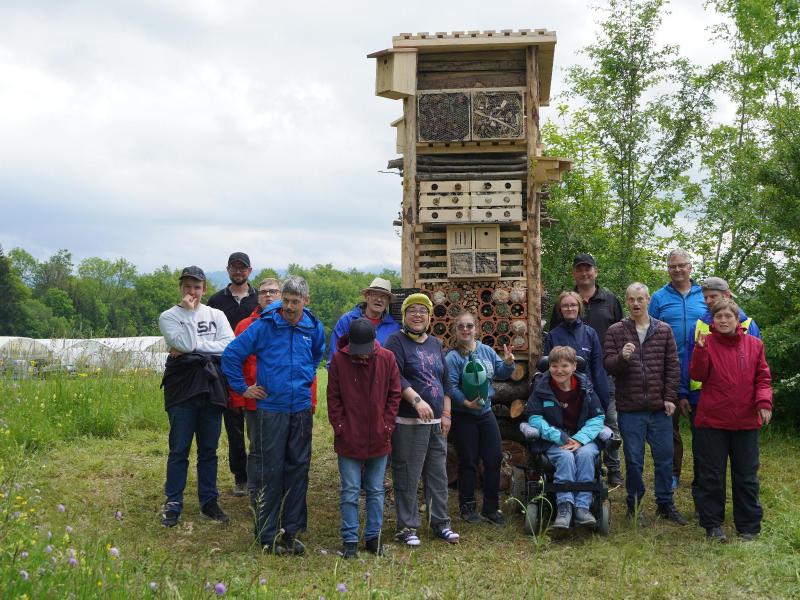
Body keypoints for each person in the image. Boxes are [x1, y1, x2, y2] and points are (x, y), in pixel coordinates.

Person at [221, 275, 325, 555]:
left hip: (301, 409)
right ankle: (266, 536)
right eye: (286, 301)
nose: (290, 307)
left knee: (298, 470)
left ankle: (290, 532)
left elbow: (317, 355)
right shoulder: (264, 326)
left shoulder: (313, 326)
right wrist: (244, 389)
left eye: (295, 302)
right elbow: (231, 355)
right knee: (270, 471)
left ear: (306, 301)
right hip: (272, 411)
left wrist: (303, 377)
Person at [604, 282, 687, 525]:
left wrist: (670, 398)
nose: (636, 303)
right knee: (634, 459)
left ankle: (665, 503)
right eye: (631, 299)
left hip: (659, 408)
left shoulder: (663, 330)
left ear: (648, 299)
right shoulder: (616, 331)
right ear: (627, 301)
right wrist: (622, 358)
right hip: (630, 408)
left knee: (664, 458)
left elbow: (673, 367)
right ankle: (635, 506)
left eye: (640, 299)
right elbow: (608, 365)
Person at [689, 298, 772, 542]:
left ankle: (748, 527)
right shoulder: (705, 343)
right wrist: (701, 352)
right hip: (712, 421)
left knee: (746, 476)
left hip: (746, 422)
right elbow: (697, 375)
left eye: (728, 316)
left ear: (737, 320)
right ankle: (712, 525)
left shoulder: (755, 345)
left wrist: (764, 403)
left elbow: (763, 379)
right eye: (719, 317)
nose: (723, 320)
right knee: (712, 476)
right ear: (712, 321)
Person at [158, 266, 234, 527]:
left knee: (209, 449)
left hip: (211, 385)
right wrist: (188, 316)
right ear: (181, 288)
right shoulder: (169, 316)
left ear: (204, 288)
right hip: (182, 387)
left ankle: (209, 501)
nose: (192, 292)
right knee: (179, 448)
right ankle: (173, 501)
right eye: (187, 286)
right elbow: (184, 345)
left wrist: (195, 349)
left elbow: (228, 345)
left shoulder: (217, 314)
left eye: (197, 287)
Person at [679, 277, 762, 509]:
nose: (708, 301)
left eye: (713, 297)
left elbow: (757, 368)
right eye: (705, 297)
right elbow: (688, 360)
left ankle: (744, 512)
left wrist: (760, 401)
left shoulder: (748, 325)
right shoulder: (699, 324)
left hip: (741, 407)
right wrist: (683, 391)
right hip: (703, 401)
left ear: (727, 295)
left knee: (744, 466)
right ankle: (703, 507)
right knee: (705, 460)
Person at [384, 293, 460, 546]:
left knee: (437, 474)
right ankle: (407, 527)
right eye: (412, 310)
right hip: (408, 422)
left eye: (423, 311)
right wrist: (417, 401)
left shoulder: (436, 344)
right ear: (404, 316)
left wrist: (446, 413)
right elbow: (395, 377)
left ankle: (441, 523)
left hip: (436, 422)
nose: (418, 315)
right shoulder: (396, 341)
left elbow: (445, 381)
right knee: (408, 473)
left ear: (429, 317)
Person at [327, 318, 402, 558]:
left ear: (374, 343)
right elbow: (333, 398)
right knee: (349, 490)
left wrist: (387, 426)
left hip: (380, 437)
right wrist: (340, 427)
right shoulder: (340, 359)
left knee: (375, 489)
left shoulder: (387, 358)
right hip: (349, 437)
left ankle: (373, 537)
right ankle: (349, 539)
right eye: (356, 352)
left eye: (365, 351)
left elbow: (394, 395)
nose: (360, 356)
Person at [550, 253, 623, 486]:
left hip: (600, 373)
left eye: (588, 269)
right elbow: (552, 345)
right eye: (579, 269)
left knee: (608, 421)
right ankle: (580, 464)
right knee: (571, 421)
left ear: (595, 271)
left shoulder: (610, 300)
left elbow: (621, 331)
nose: (584, 273)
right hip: (565, 383)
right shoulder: (563, 303)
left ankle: (613, 468)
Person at [444, 311, 515, 525]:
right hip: (464, 416)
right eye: (461, 327)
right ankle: (467, 508)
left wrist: (509, 363)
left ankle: (491, 509)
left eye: (469, 326)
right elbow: (451, 386)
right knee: (468, 461)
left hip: (485, 414)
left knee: (493, 458)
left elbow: (500, 373)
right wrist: (466, 403)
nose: (466, 330)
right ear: (455, 331)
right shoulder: (452, 358)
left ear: (476, 329)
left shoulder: (486, 351)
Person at [524, 345, 605, 530]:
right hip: (554, 439)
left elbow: (598, 417)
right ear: (548, 366)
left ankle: (582, 508)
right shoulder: (541, 387)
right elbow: (534, 418)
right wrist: (559, 437)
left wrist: (579, 439)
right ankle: (565, 508)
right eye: (554, 366)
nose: (559, 370)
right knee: (566, 457)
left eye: (564, 365)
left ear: (574, 366)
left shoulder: (586, 388)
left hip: (583, 437)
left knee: (585, 455)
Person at [648, 249, 706, 489]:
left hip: (701, 372)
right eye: (673, 266)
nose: (678, 269)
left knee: (703, 429)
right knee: (668, 428)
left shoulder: (705, 296)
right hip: (668, 371)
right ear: (668, 269)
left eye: (682, 265)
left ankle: (702, 477)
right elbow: (648, 331)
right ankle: (672, 473)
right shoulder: (659, 297)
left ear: (690, 267)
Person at [207, 252, 259, 497]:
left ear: (250, 271)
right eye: (234, 268)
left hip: (255, 371)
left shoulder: (259, 299)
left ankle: (258, 473)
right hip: (225, 370)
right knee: (234, 426)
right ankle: (240, 476)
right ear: (228, 270)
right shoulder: (216, 301)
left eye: (243, 268)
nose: (239, 272)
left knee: (257, 426)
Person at [227, 278, 281, 495]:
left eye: (274, 291)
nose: (268, 295)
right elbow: (233, 361)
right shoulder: (245, 325)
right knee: (257, 446)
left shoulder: (290, 323)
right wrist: (240, 395)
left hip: (282, 399)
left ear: (281, 295)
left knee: (279, 446)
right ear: (257, 297)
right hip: (255, 400)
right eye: (264, 292)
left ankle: (276, 485)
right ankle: (255, 488)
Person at [545, 291, 610, 411]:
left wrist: (603, 401)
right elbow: (547, 371)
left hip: (586, 396)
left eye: (573, 305)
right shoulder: (553, 335)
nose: (569, 308)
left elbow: (599, 369)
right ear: (560, 309)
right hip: (560, 399)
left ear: (579, 308)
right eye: (565, 306)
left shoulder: (590, 333)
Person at [327, 277, 399, 368]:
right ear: (367, 297)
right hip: (350, 377)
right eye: (375, 294)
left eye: (384, 296)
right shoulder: (347, 320)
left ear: (388, 301)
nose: (379, 299)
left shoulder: (394, 327)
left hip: (380, 379)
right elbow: (334, 354)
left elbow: (395, 362)